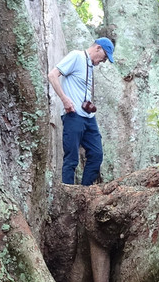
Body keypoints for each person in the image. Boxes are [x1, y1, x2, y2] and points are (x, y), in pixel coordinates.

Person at [48, 37, 114, 186]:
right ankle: (68, 192)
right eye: (104, 58)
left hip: (89, 117)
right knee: (71, 158)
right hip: (73, 115)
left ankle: (85, 191)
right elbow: (52, 75)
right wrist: (64, 99)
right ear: (98, 48)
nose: (103, 61)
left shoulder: (90, 66)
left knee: (96, 154)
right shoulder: (76, 56)